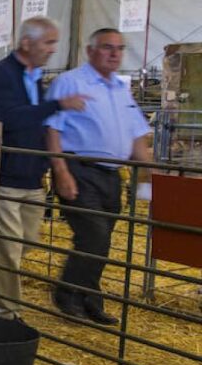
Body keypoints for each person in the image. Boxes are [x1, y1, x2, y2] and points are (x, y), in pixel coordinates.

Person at [0, 17, 89, 320]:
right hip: (1, 175)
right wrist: (57, 105)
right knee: (10, 249)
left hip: (30, 176)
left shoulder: (36, 77)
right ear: (27, 43)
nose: (53, 49)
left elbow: (36, 122)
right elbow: (8, 118)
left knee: (26, 242)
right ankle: (4, 312)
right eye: (48, 42)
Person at [45, 28, 150, 325]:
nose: (115, 53)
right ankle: (67, 294)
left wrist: (150, 176)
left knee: (102, 240)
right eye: (107, 47)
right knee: (94, 237)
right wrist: (61, 171)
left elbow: (137, 135)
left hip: (112, 175)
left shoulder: (120, 88)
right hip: (80, 169)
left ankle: (90, 300)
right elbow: (52, 127)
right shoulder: (70, 81)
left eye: (119, 48)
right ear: (90, 51)